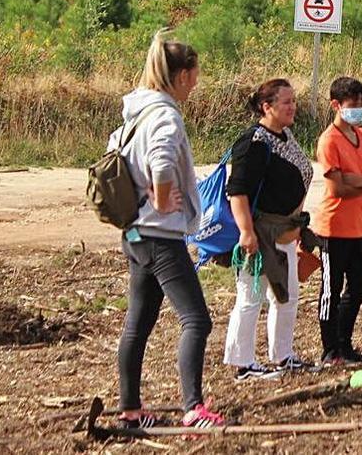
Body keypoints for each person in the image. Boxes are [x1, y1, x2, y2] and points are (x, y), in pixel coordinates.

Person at [110, 31, 223, 429]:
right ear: (181, 76)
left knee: (137, 324)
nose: (196, 83)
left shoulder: (135, 112)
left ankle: (131, 411)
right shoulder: (165, 115)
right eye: (195, 76)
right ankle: (195, 408)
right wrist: (161, 199)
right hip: (160, 236)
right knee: (197, 319)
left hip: (135, 234)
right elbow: (160, 159)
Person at [222, 79, 315, 380]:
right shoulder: (254, 143)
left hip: (286, 233)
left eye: (293, 100)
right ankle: (243, 364)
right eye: (286, 102)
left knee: (286, 295)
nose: (293, 107)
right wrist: (246, 232)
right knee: (250, 297)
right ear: (267, 107)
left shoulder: (285, 135)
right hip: (261, 234)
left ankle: (283, 355)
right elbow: (237, 191)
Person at [314, 77, 362, 365]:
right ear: (336, 105)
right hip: (333, 227)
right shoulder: (328, 141)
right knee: (330, 291)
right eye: (352, 103)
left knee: (360, 282)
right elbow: (336, 188)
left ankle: (345, 344)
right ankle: (330, 349)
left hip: (358, 226)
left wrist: (355, 181)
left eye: (361, 103)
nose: (358, 108)